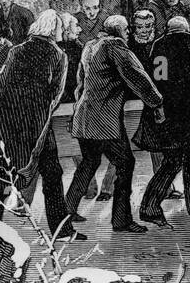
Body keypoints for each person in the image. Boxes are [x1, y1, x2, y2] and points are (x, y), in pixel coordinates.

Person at [0, 10, 78, 240]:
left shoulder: (16, 50)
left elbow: (2, 79)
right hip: (38, 122)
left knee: (1, 168)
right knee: (52, 173)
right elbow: (56, 94)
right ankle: (62, 230)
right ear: (53, 29)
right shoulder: (58, 54)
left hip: (8, 117)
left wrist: (14, 100)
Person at [64, 15, 164, 234]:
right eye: (127, 30)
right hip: (105, 121)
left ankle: (67, 211)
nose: (129, 33)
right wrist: (156, 102)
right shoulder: (116, 48)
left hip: (84, 117)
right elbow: (138, 77)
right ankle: (121, 220)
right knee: (125, 164)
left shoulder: (90, 46)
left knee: (89, 163)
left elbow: (80, 83)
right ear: (118, 31)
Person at [134, 16, 190, 225]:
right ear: (186, 29)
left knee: (174, 160)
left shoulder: (158, 45)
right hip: (188, 114)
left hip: (166, 114)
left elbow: (157, 79)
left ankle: (152, 205)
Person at [128, 8, 159, 75]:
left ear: (153, 26)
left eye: (147, 26)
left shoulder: (159, 42)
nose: (144, 31)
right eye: (139, 27)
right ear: (134, 27)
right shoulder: (128, 43)